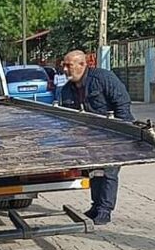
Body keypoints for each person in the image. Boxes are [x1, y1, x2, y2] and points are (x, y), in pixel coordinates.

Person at [58, 50, 135, 226]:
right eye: (63, 65)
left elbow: (122, 103)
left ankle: (105, 210)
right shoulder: (67, 90)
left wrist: (120, 132)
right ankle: (96, 206)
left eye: (68, 65)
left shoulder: (103, 78)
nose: (64, 69)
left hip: (111, 134)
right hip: (88, 138)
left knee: (109, 171)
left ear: (82, 65)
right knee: (94, 172)